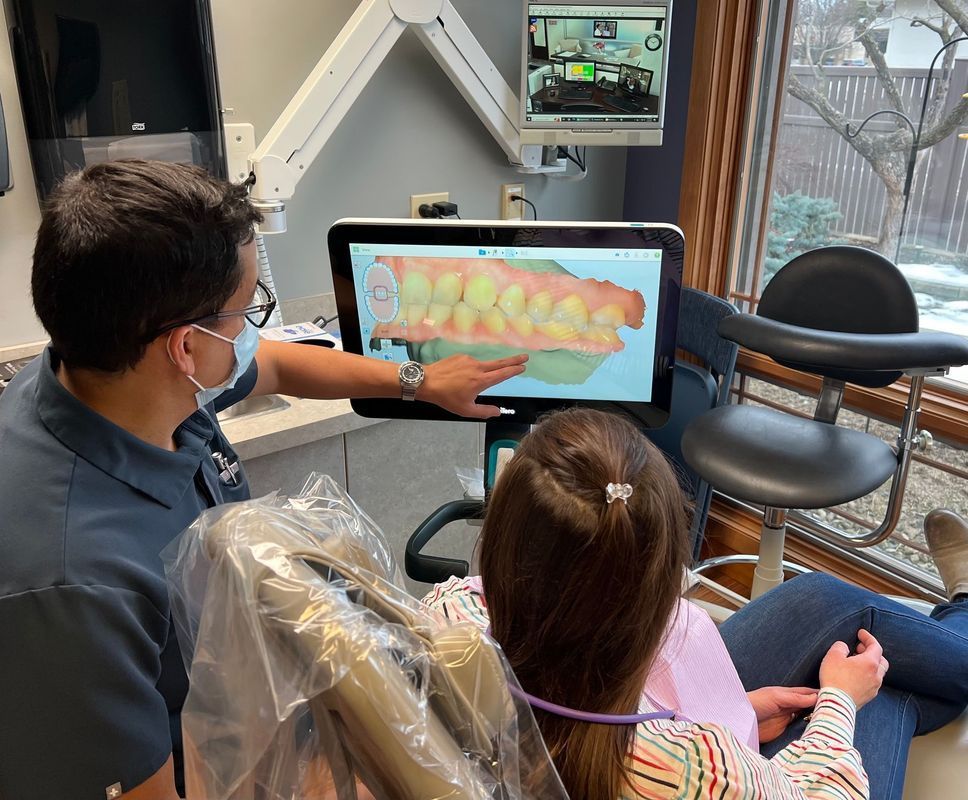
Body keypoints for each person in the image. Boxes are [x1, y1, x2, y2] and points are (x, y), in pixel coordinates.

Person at [0, 160, 526, 800]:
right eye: (246, 312)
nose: (254, 333)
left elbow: (270, 366)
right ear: (186, 348)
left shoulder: (112, 375)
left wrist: (419, 382)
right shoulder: (73, 582)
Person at [424, 407, 968, 800]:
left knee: (823, 599)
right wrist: (841, 704)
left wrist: (743, 709)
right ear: (662, 591)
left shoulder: (446, 613)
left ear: (497, 542)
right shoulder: (694, 765)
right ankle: (962, 613)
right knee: (887, 692)